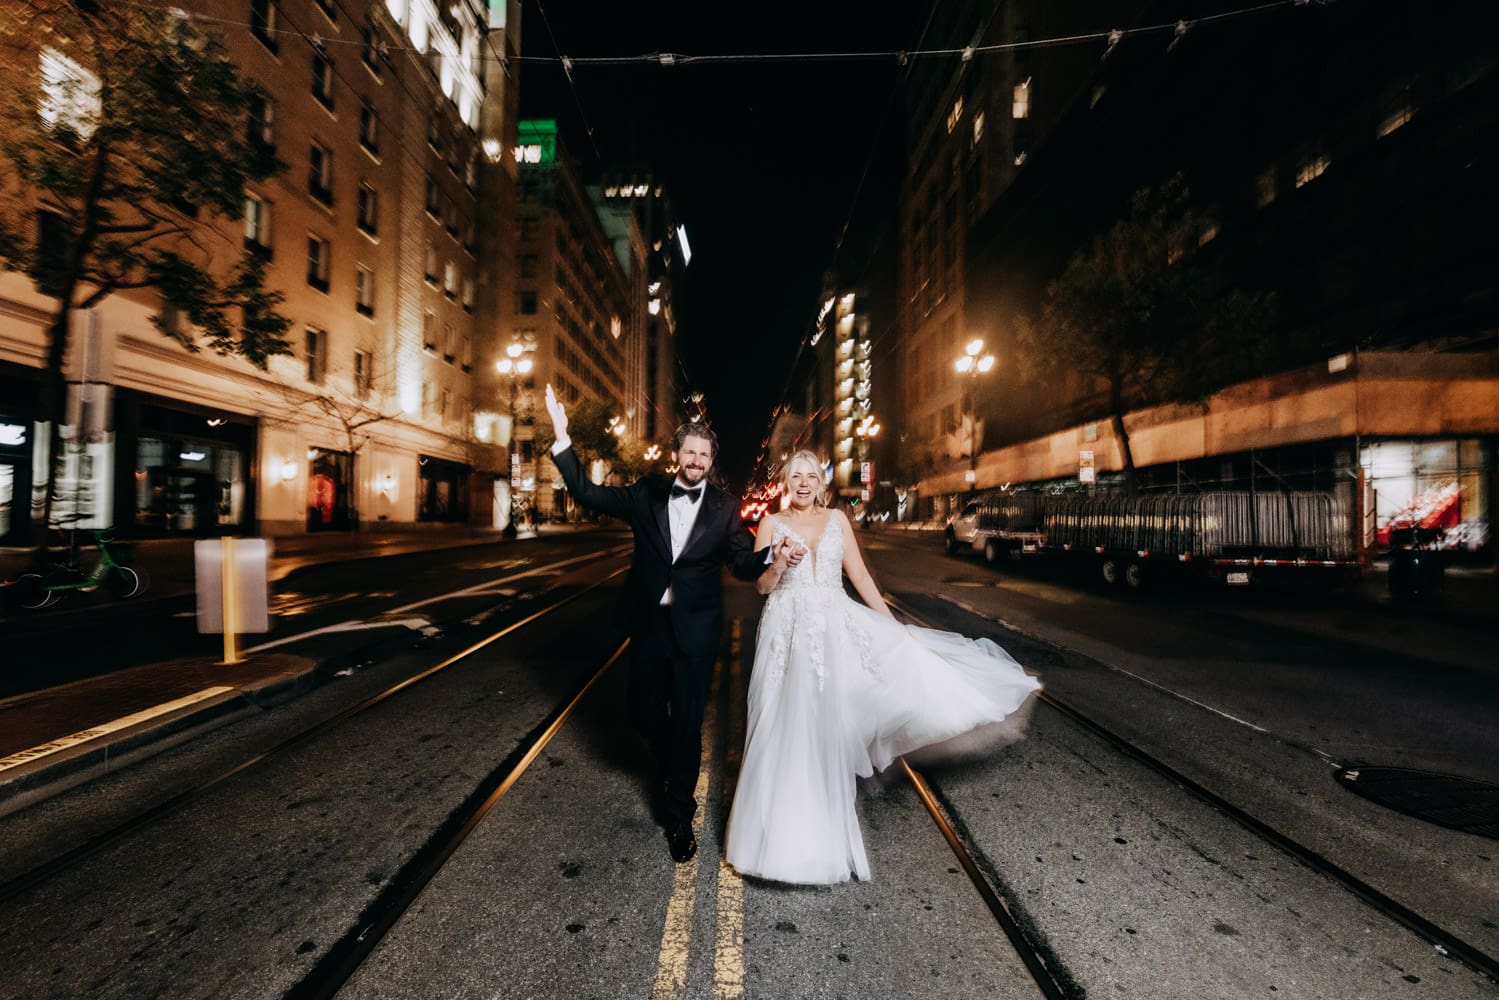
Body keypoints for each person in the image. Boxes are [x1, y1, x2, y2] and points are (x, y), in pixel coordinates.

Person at [725, 450, 1042, 885]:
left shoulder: (837, 520)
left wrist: (895, 629)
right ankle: (777, 840)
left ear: (820, 482)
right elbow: (762, 587)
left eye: (810, 476)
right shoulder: (771, 525)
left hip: (834, 631)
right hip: (788, 634)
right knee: (785, 728)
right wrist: (778, 562)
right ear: (785, 482)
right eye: (795, 476)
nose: (803, 483)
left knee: (827, 729)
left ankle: (822, 832)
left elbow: (861, 579)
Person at [544, 384, 797, 864]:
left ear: (709, 459)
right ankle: (670, 766)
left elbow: (742, 563)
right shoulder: (645, 494)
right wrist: (562, 436)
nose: (696, 459)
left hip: (697, 633)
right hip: (650, 626)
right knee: (641, 713)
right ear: (677, 454)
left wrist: (772, 555)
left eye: (704, 453)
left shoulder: (724, 509)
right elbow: (587, 491)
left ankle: (679, 816)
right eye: (690, 451)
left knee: (686, 724)